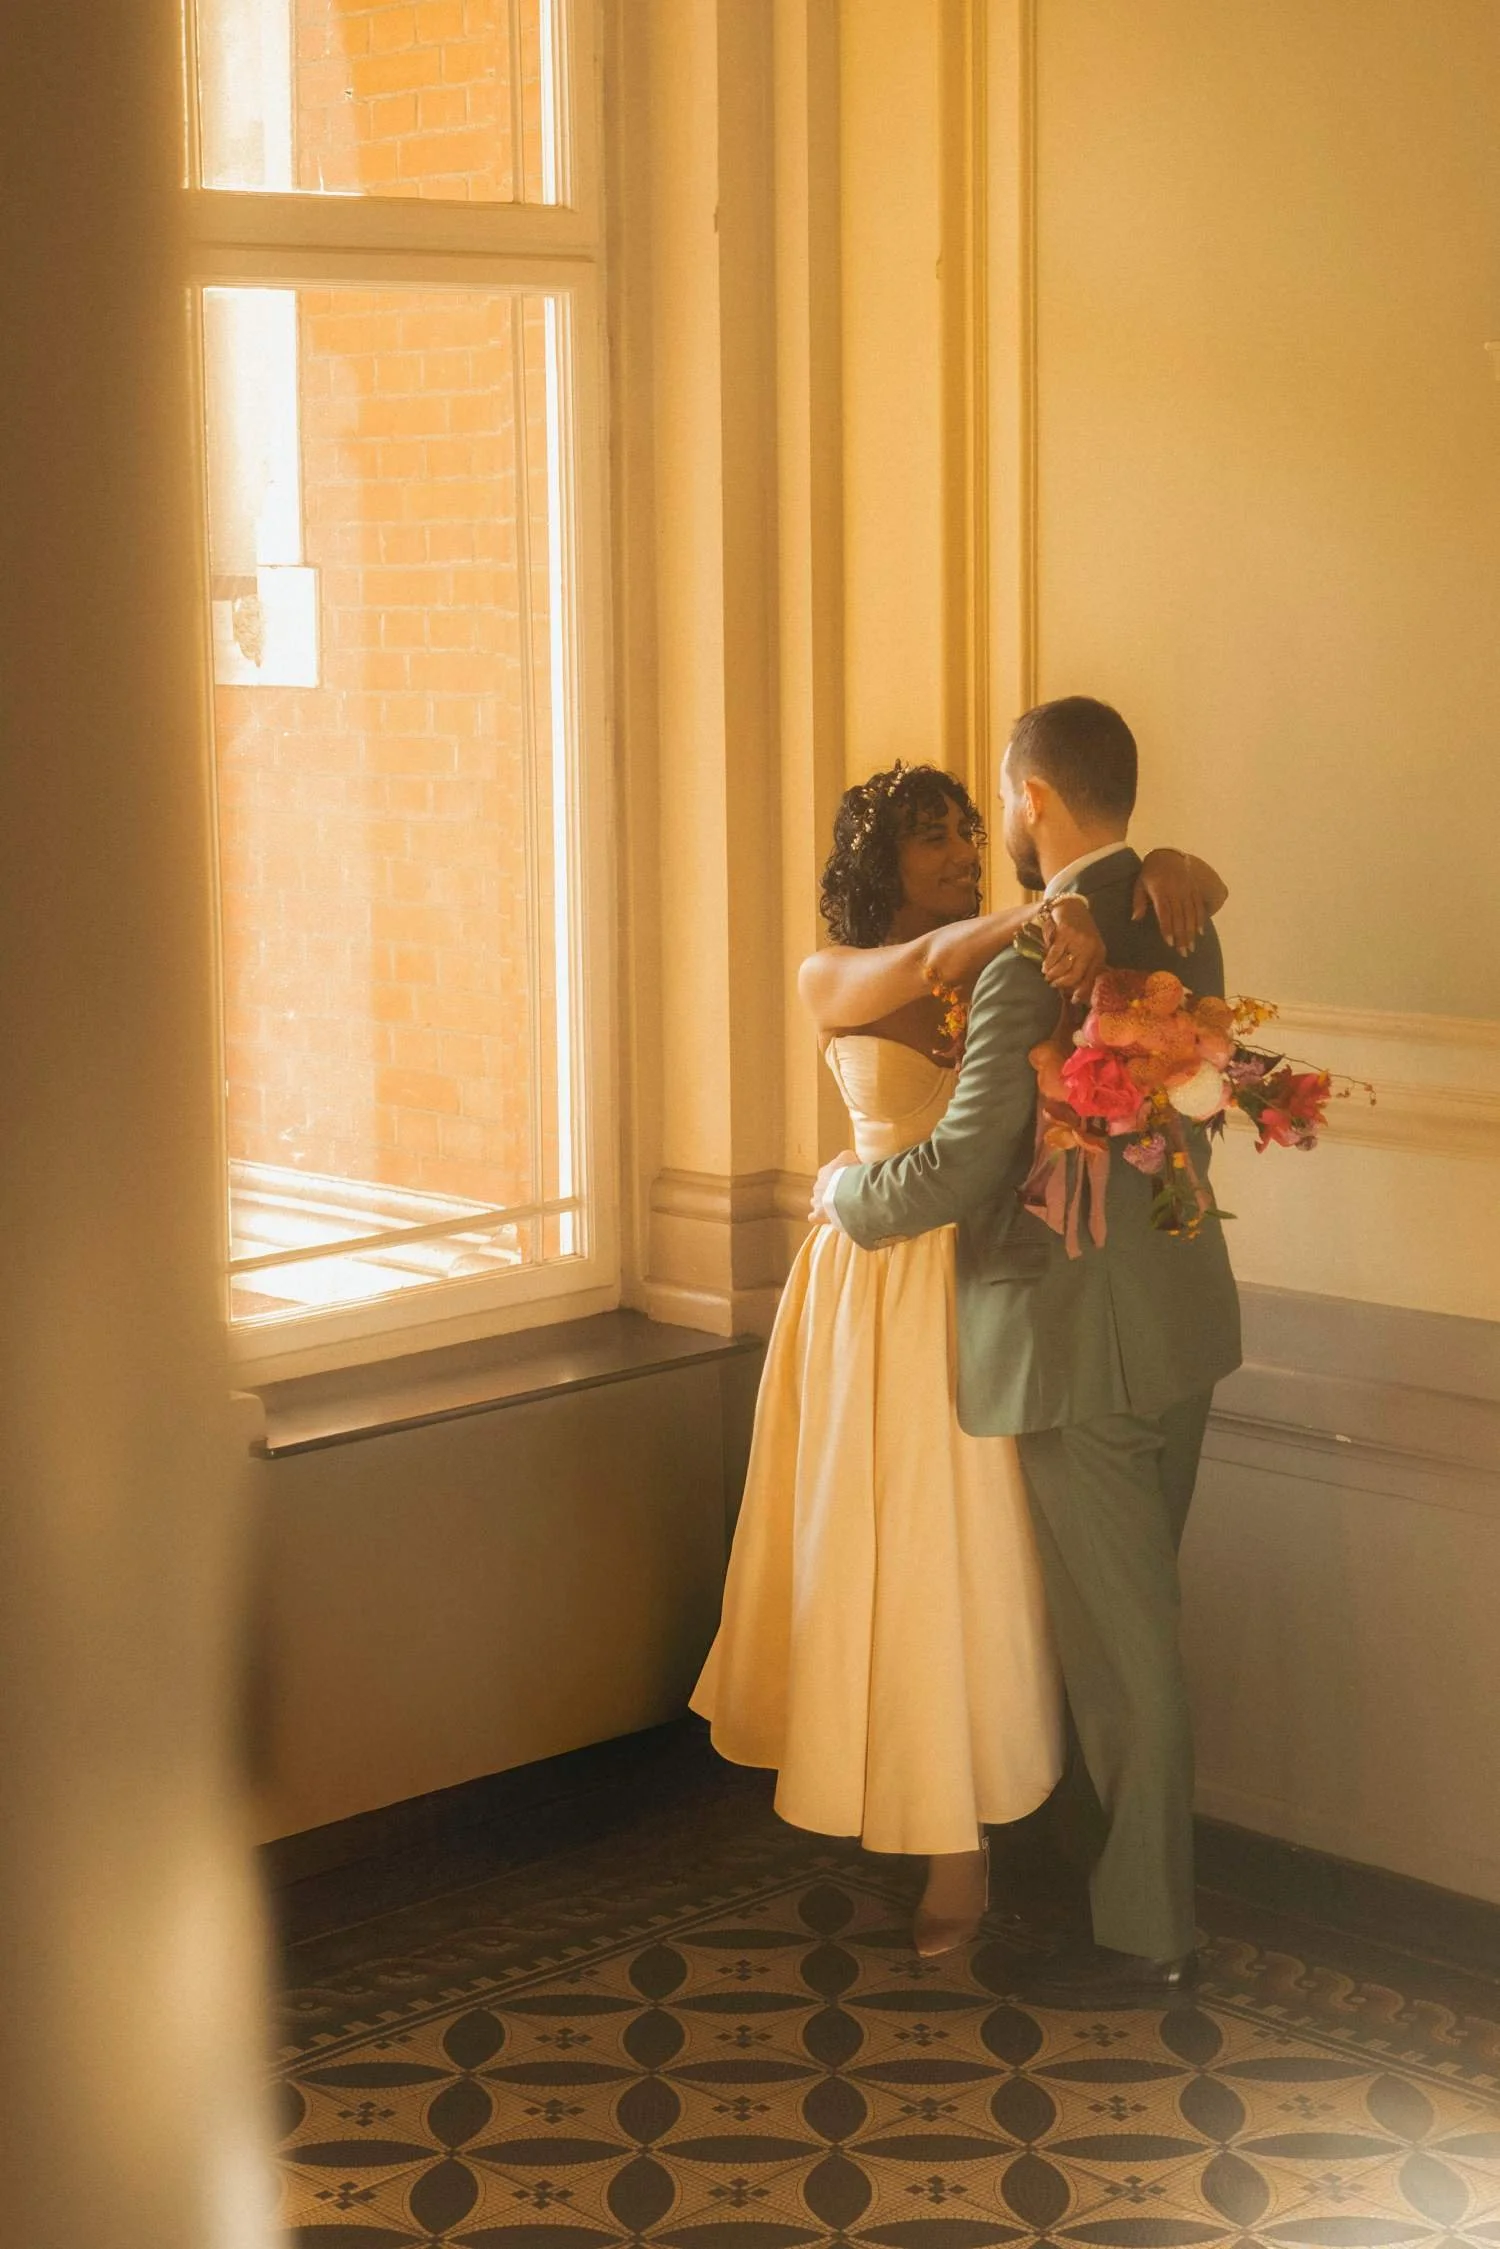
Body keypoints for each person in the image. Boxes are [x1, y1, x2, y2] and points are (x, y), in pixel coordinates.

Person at [691, 752, 1226, 1956]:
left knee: (988, 1563)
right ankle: (939, 1834)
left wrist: (1175, 876)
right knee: (896, 1541)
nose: (953, 851)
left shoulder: (1039, 956)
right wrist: (1053, 909)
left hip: (993, 1277)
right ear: (874, 858)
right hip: (875, 1268)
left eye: (965, 830)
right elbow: (936, 964)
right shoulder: (843, 966)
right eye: (928, 836)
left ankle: (1003, 1816)